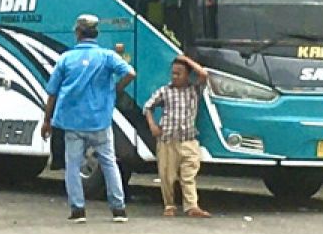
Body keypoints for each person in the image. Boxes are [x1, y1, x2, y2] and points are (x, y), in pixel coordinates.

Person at [41, 14, 136, 223]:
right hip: (100, 120)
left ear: (77, 33)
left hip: (72, 121)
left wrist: (46, 120)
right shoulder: (107, 56)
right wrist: (114, 90)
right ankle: (118, 209)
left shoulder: (66, 59)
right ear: (96, 34)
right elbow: (130, 73)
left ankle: (78, 210)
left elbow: (53, 92)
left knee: (73, 165)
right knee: (109, 162)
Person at [143, 55, 211, 218]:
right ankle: (169, 205)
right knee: (167, 175)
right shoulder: (165, 91)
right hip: (168, 140)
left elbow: (204, 75)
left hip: (188, 139)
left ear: (187, 75)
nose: (175, 77)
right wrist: (152, 125)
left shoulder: (194, 90)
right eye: (173, 73)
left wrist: (186, 60)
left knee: (189, 174)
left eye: (179, 73)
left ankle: (192, 206)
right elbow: (147, 107)